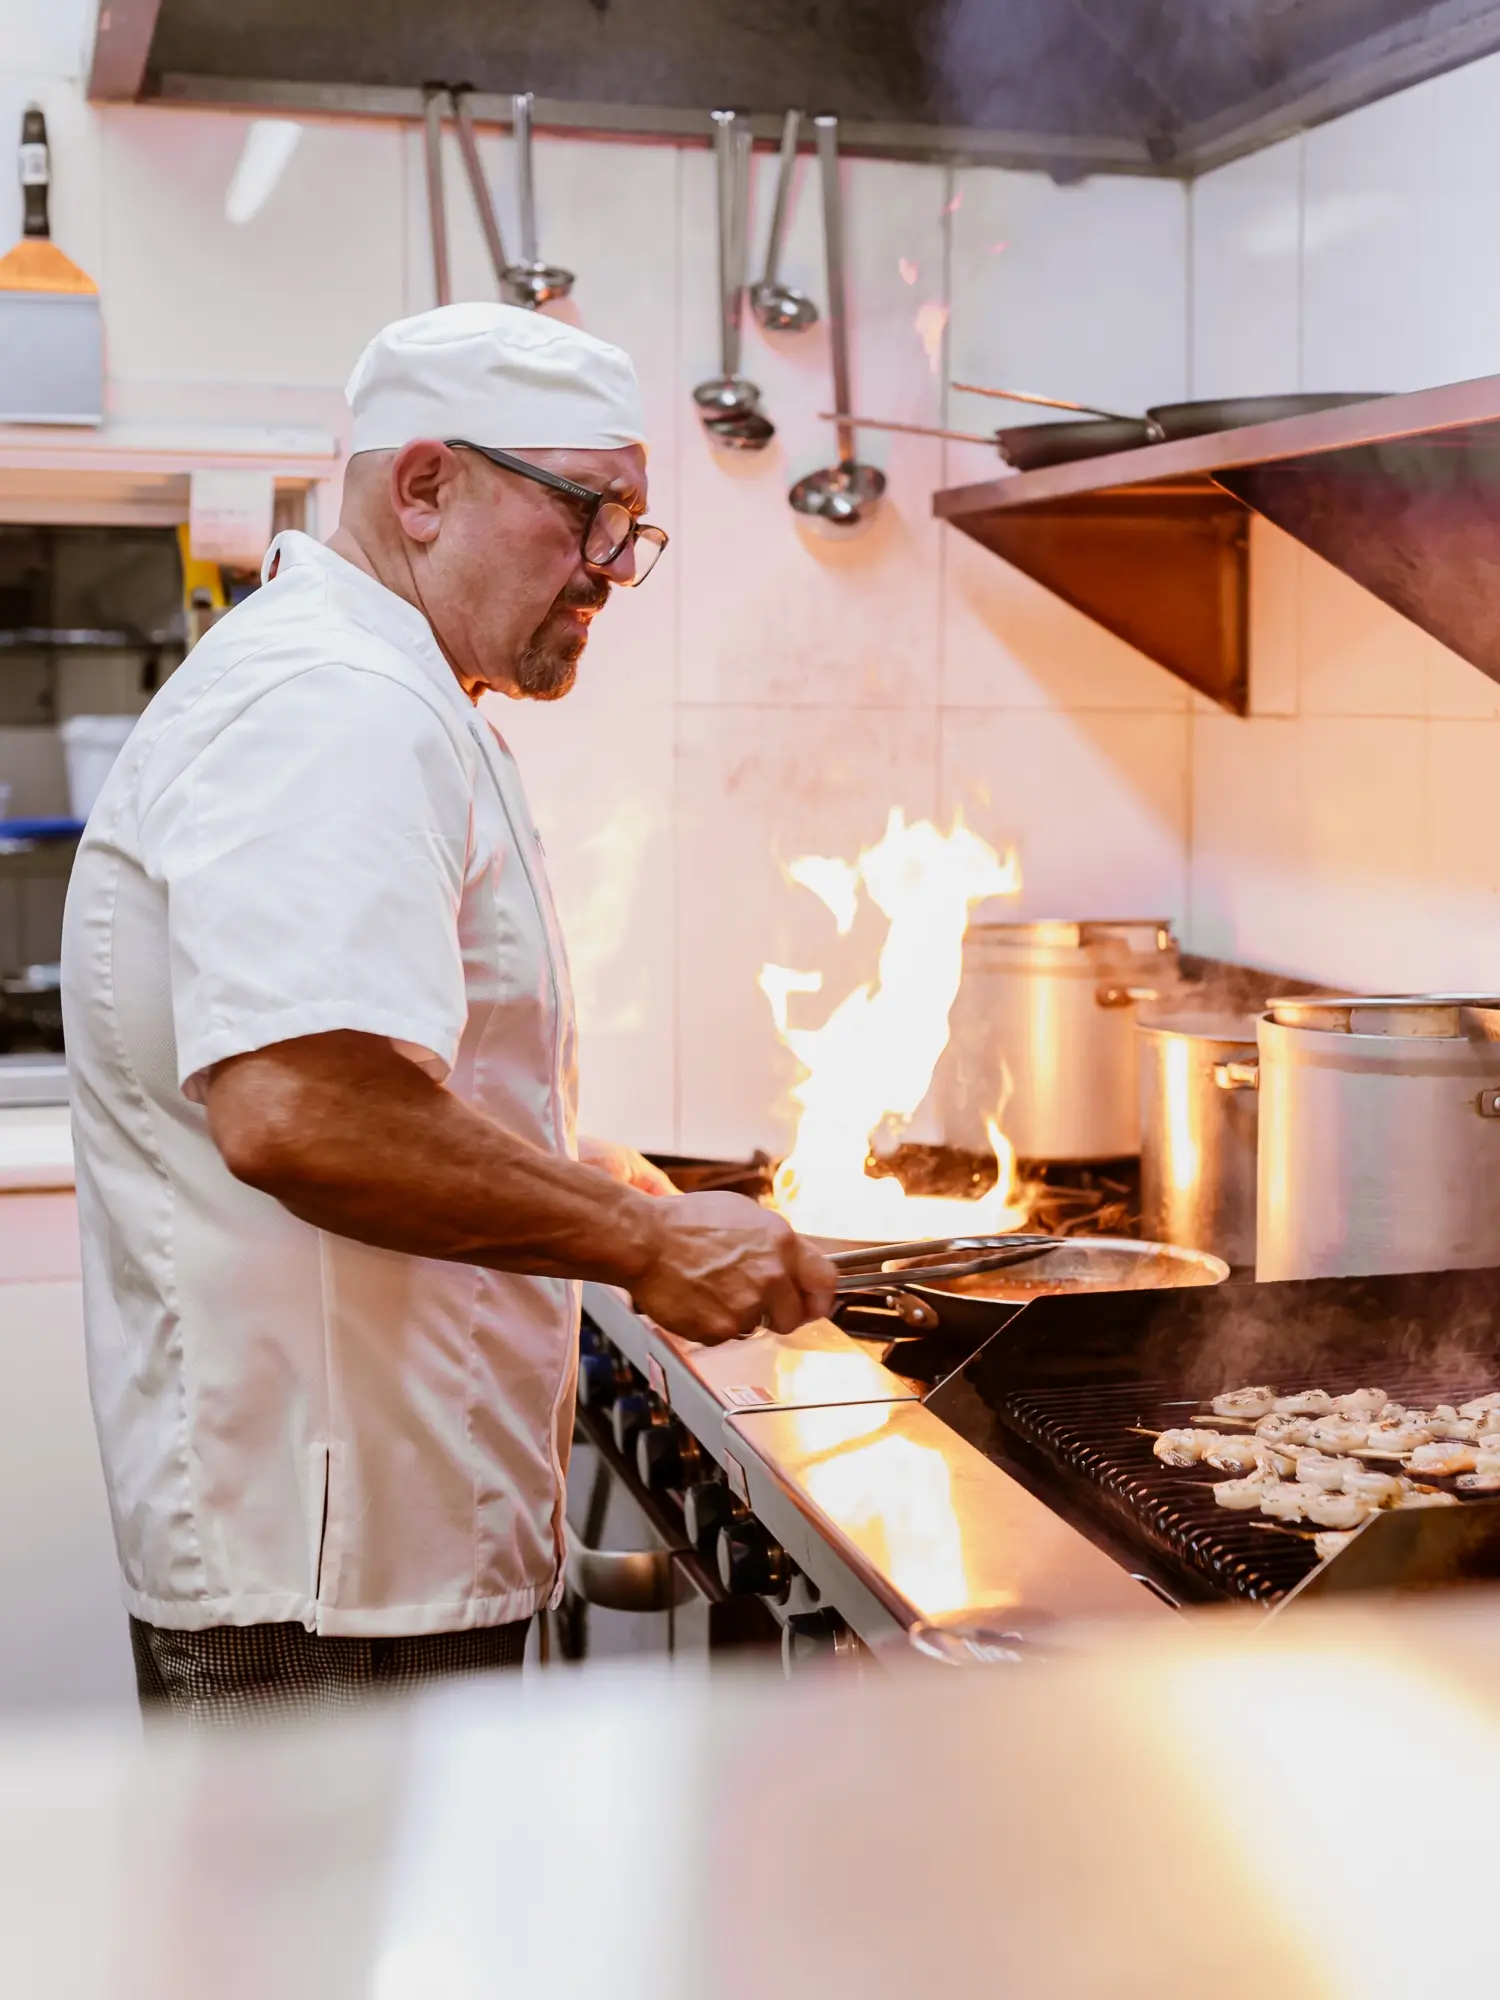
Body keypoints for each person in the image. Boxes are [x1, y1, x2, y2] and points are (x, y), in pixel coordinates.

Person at [61, 303, 837, 1726]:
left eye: (632, 529)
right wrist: (647, 1243)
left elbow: (377, 1072)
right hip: (329, 1598)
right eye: (589, 515)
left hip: (365, 1561)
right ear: (425, 485)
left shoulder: (378, 688)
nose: (613, 569)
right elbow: (303, 1112)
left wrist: (590, 1174)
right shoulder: (333, 705)